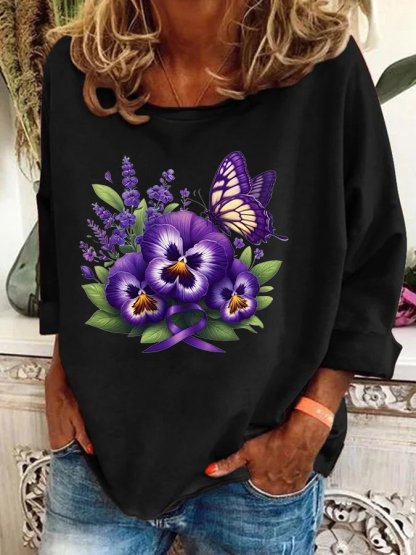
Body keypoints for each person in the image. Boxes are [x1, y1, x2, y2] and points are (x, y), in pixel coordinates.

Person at [36, 1, 406, 553]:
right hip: (96, 461)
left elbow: (373, 254)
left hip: (256, 472)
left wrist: (313, 418)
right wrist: (60, 376)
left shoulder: (323, 66)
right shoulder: (79, 70)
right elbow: (63, 234)